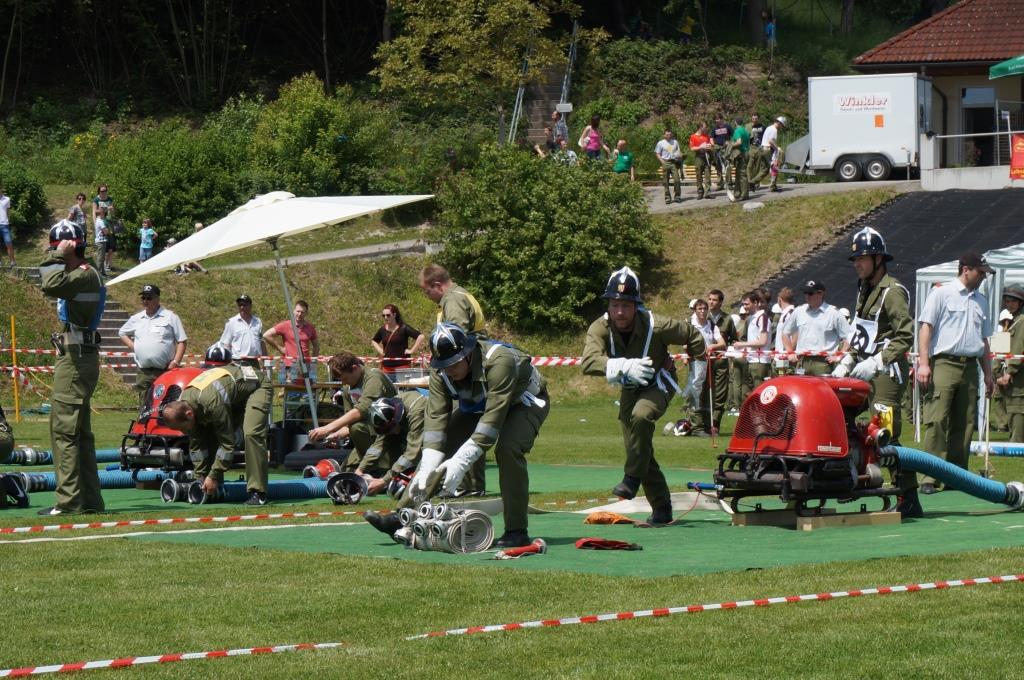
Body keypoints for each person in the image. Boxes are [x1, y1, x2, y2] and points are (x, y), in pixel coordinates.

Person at [581, 266, 706, 525]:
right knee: (637, 446)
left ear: (636, 306)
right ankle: (662, 506)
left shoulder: (657, 325)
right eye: (615, 304)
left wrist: (696, 375)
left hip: (659, 382)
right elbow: (589, 361)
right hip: (629, 386)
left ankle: (631, 479)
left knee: (641, 417)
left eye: (626, 306)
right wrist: (622, 366)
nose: (619, 312)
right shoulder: (600, 327)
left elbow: (693, 335)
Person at [414, 323, 549, 546]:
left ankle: (516, 530)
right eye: (444, 365)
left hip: (523, 402)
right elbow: (436, 419)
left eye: (455, 363)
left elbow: (491, 424)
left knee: (508, 449)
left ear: (468, 353)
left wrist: (461, 461)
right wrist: (428, 463)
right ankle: (405, 514)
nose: (450, 370)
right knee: (437, 448)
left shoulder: (499, 361)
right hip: (481, 406)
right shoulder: (440, 371)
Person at [37, 222, 105, 515]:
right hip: (79, 356)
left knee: (64, 431)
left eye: (58, 248)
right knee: (79, 433)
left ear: (70, 248)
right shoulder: (85, 274)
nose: (55, 253)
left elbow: (49, 284)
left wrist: (57, 256)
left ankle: (68, 502)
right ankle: (89, 500)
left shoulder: (83, 275)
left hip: (76, 359)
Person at [916, 252, 995, 494]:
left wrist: (988, 374)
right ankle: (930, 477)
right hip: (944, 363)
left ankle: (956, 476)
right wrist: (924, 363)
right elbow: (926, 328)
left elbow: (984, 340)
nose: (983, 277)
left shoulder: (982, 301)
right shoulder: (941, 293)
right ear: (966, 270)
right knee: (937, 420)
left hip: (970, 367)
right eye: (980, 272)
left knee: (966, 422)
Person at [839, 227, 914, 450]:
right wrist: (848, 359)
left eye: (861, 258)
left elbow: (905, 336)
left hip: (886, 370)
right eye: (855, 259)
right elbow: (863, 331)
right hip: (863, 366)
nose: (856, 264)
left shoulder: (893, 292)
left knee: (884, 434)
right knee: (841, 415)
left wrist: (877, 361)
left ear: (878, 259)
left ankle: (900, 474)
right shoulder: (864, 289)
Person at [418, 263, 488, 493]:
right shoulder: (460, 295)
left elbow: (456, 340)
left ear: (437, 285)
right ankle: (471, 486)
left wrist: (444, 362)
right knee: (467, 430)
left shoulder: (453, 300)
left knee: (458, 432)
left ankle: (467, 486)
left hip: (468, 373)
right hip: (470, 370)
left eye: (426, 291)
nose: (427, 296)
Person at [162, 363, 273, 506]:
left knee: (251, 434)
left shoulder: (212, 402)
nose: (183, 432)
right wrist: (200, 477)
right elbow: (197, 444)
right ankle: (214, 489)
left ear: (189, 414)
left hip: (257, 386)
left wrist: (213, 475)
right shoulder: (185, 402)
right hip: (233, 396)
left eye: (183, 428)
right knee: (210, 434)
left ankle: (258, 492)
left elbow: (227, 444)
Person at [307, 352, 399, 476]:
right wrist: (336, 435)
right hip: (370, 435)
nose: (344, 383)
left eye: (345, 378)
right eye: (341, 380)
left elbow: (363, 409)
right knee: (346, 472)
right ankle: (368, 468)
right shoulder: (348, 388)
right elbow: (349, 424)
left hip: (392, 434)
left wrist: (328, 428)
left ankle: (381, 470)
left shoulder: (373, 378)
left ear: (355, 368)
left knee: (357, 428)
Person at [118, 284, 188, 407]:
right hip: (144, 372)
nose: (145, 301)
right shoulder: (137, 318)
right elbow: (122, 333)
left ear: (157, 299)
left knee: (165, 405)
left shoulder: (170, 317)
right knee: (144, 406)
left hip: (164, 370)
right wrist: (135, 347)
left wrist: (176, 362)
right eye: (143, 298)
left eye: (149, 298)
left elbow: (182, 341)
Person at [363, 392, 427, 497]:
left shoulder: (416, 410)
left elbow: (412, 453)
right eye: (386, 430)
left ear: (396, 418)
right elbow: (379, 444)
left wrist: (384, 480)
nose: (391, 432)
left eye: (391, 428)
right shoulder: (390, 409)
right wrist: (360, 470)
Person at [781, 280, 851, 376]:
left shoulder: (833, 313)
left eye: (810, 293)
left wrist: (839, 356)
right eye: (805, 293)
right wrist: (790, 352)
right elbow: (785, 333)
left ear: (821, 294)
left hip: (823, 362)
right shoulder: (799, 311)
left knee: (821, 386)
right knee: (800, 386)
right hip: (802, 361)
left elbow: (849, 337)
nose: (807, 296)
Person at [688, 299, 725, 436]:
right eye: (699, 309)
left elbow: (722, 343)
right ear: (695, 310)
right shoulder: (690, 325)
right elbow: (684, 344)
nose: (702, 311)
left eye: (704, 308)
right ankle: (696, 427)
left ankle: (707, 425)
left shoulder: (711, 325)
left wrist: (713, 346)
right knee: (696, 393)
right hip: (696, 363)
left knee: (708, 393)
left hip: (709, 362)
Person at [263, 300, 320, 385]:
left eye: (302, 312)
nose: (299, 314)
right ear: (294, 311)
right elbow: (266, 335)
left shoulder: (310, 327)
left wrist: (313, 361)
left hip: (305, 366)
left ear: (306, 313)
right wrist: (280, 348)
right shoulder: (285, 325)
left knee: (307, 391)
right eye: (298, 311)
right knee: (291, 390)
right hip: (290, 366)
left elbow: (316, 345)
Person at [707, 289, 739, 433]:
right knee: (703, 391)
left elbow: (733, 340)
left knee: (720, 392)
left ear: (720, 302)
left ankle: (715, 423)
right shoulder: (703, 317)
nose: (711, 302)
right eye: (709, 299)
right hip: (704, 360)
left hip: (721, 361)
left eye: (714, 300)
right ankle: (700, 422)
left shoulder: (727, 319)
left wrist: (730, 352)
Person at [997, 284, 1024, 442]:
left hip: (1018, 380)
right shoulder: (1011, 322)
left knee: (1017, 413)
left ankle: (1017, 448)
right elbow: (999, 349)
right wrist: (996, 374)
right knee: (1012, 414)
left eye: (1014, 301)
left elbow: (1018, 349)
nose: (1009, 304)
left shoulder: (1021, 321)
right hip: (1010, 379)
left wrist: (1008, 373)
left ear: (1020, 302)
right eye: (1007, 301)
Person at [372, 304, 425, 381]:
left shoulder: (404, 328)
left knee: (403, 388)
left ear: (394, 315)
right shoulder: (382, 330)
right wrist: (380, 350)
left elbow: (421, 336)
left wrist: (412, 350)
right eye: (383, 315)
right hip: (387, 369)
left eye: (388, 315)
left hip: (402, 369)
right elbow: (374, 341)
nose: (385, 318)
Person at [732, 289, 772, 388]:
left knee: (759, 391)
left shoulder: (762, 318)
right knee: (748, 392)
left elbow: (762, 341)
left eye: (747, 304)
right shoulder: (752, 318)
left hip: (760, 362)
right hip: (751, 360)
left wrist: (742, 344)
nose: (744, 307)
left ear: (755, 303)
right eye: (743, 304)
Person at [218, 294, 264, 363]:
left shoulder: (258, 322)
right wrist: (228, 362)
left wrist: (266, 362)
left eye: (244, 305)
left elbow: (261, 342)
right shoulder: (232, 322)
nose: (242, 307)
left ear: (250, 306)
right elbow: (225, 344)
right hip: (237, 362)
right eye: (240, 305)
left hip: (255, 362)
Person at [750, 116, 786, 192]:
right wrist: (777, 149)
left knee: (765, 169)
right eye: (782, 125)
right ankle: (772, 186)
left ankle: (752, 183)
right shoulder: (774, 130)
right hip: (767, 150)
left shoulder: (769, 127)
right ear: (779, 123)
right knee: (775, 167)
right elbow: (770, 141)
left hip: (762, 149)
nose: (781, 127)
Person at [91, 184, 117, 272]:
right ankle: (101, 267)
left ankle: (107, 264)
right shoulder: (96, 199)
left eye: (105, 190)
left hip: (109, 223)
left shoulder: (110, 199)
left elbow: (113, 213)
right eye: (102, 191)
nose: (104, 192)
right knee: (102, 247)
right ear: (99, 191)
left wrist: (112, 210)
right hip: (101, 224)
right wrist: (96, 224)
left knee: (111, 246)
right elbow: (94, 213)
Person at [654, 129, 684, 204]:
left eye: (670, 134)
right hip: (666, 162)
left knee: (677, 180)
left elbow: (679, 151)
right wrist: (662, 162)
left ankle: (677, 197)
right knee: (666, 182)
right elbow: (657, 153)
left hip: (673, 162)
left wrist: (680, 155)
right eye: (667, 134)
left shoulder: (675, 142)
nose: (669, 136)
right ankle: (667, 198)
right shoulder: (661, 143)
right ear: (664, 135)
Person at [689, 122, 714, 199]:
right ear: (700, 127)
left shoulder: (706, 136)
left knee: (708, 175)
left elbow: (711, 146)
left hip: (706, 157)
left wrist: (709, 146)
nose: (706, 128)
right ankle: (700, 192)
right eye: (705, 127)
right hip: (699, 157)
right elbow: (692, 148)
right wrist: (700, 147)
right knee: (699, 175)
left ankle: (707, 193)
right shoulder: (693, 136)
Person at [728, 115, 751, 200]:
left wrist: (731, 145)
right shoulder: (745, 130)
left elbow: (739, 142)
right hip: (746, 152)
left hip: (742, 154)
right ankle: (737, 193)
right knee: (738, 174)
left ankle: (744, 194)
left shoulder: (737, 130)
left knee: (742, 174)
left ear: (735, 122)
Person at [710, 116, 733, 191]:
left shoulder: (728, 126)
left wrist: (730, 142)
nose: (716, 120)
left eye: (718, 119)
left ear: (722, 119)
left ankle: (729, 184)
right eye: (715, 119)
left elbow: (733, 136)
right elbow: (711, 138)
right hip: (718, 149)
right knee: (718, 167)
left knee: (727, 166)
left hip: (726, 149)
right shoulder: (714, 128)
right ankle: (720, 184)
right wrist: (713, 145)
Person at [747, 113, 766, 190]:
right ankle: (749, 182)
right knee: (749, 166)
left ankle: (755, 183)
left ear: (758, 119)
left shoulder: (763, 127)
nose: (754, 120)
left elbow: (766, 137)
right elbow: (746, 136)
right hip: (751, 148)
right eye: (753, 118)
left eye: (756, 118)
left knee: (757, 167)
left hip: (759, 148)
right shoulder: (749, 126)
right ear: (751, 119)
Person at [93, 206, 110, 276]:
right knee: (100, 258)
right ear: (102, 214)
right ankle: (98, 274)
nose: (105, 214)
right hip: (101, 242)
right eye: (104, 213)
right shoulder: (100, 222)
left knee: (102, 258)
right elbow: (105, 232)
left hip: (101, 241)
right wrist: (108, 231)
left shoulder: (97, 220)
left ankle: (102, 273)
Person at [0, 185, 13, 268]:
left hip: (4, 224)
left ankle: (12, 262)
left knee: (9, 243)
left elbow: (8, 211)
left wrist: (8, 220)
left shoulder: (7, 199)